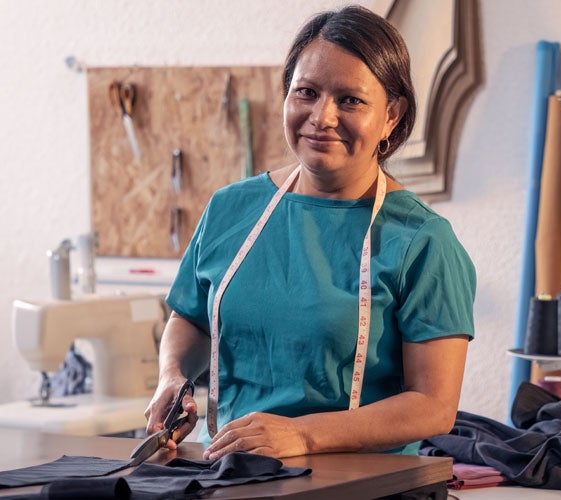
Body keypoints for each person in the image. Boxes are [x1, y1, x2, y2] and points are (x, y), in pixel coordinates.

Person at [144, 4, 476, 460]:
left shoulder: (421, 240)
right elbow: (193, 318)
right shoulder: (229, 208)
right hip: (224, 472)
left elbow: (433, 406)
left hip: (361, 485)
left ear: (392, 116)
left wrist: (302, 435)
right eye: (307, 92)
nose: (322, 116)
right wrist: (173, 376)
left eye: (351, 100)